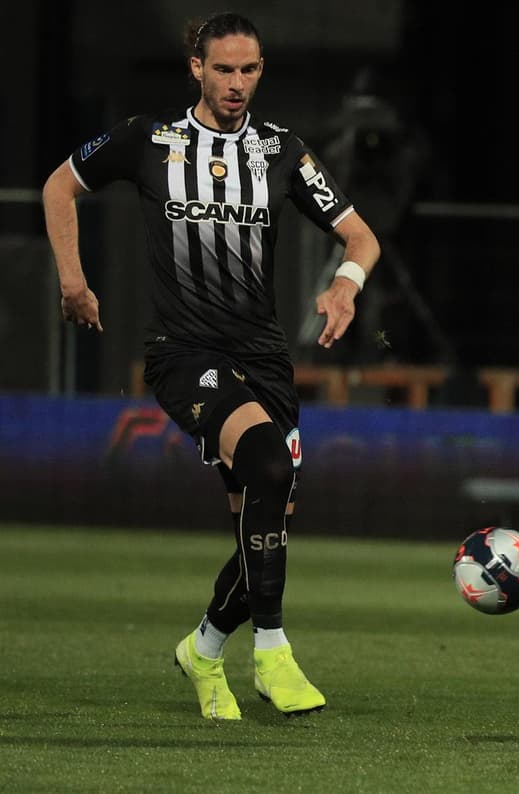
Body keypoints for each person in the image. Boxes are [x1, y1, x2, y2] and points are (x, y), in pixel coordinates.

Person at [42, 12, 380, 720]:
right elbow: (58, 188)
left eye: (248, 70)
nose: (235, 83)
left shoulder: (283, 151)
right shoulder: (148, 139)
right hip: (185, 354)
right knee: (269, 465)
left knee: (262, 520)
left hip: (263, 357)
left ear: (260, 72)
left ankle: (202, 650)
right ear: (195, 68)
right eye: (222, 69)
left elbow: (359, 236)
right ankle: (273, 650)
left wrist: (345, 283)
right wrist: (72, 280)